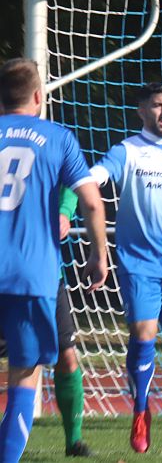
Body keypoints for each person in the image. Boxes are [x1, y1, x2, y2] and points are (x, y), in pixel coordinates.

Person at [63, 83, 162, 453]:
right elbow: (88, 180)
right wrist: (65, 210)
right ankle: (140, 412)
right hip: (138, 266)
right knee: (144, 338)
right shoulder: (126, 151)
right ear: (141, 111)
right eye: (158, 105)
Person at [0, 58, 109, 462]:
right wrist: (99, 255)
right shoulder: (58, 137)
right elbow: (93, 204)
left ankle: (71, 438)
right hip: (32, 277)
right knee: (25, 377)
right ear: (37, 96)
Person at [0, 191, 95, 458]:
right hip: (9, 276)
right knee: (25, 372)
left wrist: (64, 211)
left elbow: (75, 183)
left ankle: (74, 440)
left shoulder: (52, 149)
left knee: (65, 356)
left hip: (45, 277)